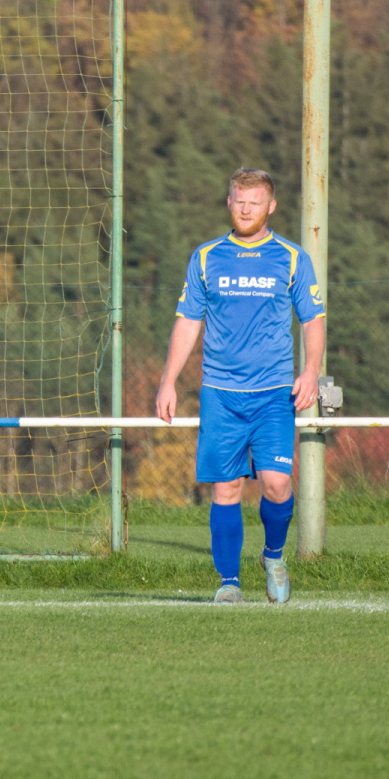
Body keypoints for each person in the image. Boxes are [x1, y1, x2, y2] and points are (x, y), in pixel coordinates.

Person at [154, 168, 326, 604]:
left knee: (276, 484)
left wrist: (310, 371)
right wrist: (167, 381)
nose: (246, 209)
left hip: (273, 393)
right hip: (220, 393)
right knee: (226, 488)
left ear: (271, 206)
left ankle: (273, 556)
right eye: (239, 201)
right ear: (228, 203)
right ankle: (229, 582)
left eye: (255, 202)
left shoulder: (291, 257)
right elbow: (188, 322)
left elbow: (312, 319)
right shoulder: (206, 257)